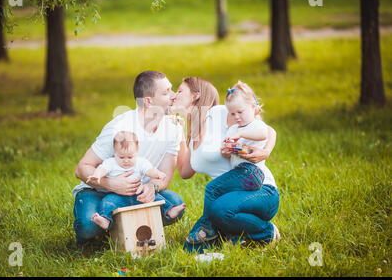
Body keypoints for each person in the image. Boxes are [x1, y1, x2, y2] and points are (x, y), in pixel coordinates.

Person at [73, 71, 185, 246]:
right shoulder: (119, 127)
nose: (173, 96)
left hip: (136, 194)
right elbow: (82, 168)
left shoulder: (173, 128)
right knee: (88, 226)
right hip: (98, 192)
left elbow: (164, 176)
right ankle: (104, 223)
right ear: (148, 101)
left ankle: (116, 226)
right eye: (166, 92)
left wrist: (151, 186)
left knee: (176, 204)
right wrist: (111, 184)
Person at [172, 77, 279, 251]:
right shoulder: (194, 134)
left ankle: (264, 232)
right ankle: (233, 234)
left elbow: (267, 130)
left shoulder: (220, 113)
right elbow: (185, 172)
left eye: (179, 91)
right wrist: (177, 134)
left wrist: (265, 152)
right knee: (191, 249)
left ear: (195, 96)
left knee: (217, 211)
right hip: (226, 201)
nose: (174, 96)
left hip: (258, 188)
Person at [88, 130, 186, 230]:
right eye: (121, 157)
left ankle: (169, 210)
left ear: (136, 151)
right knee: (107, 202)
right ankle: (105, 220)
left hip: (139, 195)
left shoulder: (140, 162)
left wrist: (158, 174)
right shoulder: (111, 163)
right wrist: (97, 175)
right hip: (118, 196)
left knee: (156, 197)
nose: (126, 160)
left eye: (130, 157)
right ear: (115, 152)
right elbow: (102, 170)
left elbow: (149, 170)